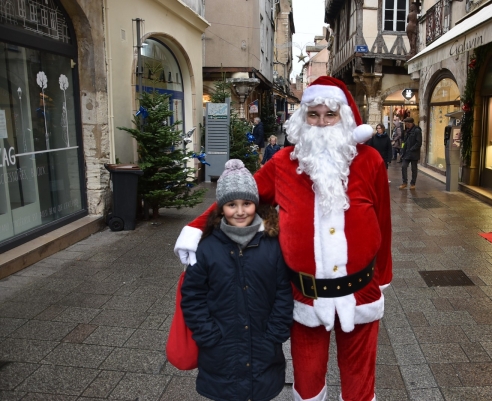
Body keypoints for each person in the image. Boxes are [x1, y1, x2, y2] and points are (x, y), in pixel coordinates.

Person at [174, 76, 392, 401]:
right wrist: (196, 228)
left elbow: (384, 224)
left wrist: (383, 277)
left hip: (360, 292)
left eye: (329, 114)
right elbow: (240, 196)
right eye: (313, 115)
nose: (320, 122)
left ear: (343, 117)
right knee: (307, 381)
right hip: (305, 297)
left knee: (360, 382)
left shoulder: (370, 162)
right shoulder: (283, 165)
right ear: (302, 118)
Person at [180, 159, 294, 401]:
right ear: (221, 208)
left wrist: (275, 333)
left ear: (256, 204)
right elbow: (192, 296)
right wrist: (208, 335)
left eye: (247, 203)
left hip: (264, 349)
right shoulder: (207, 248)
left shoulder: (272, 245)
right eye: (232, 204)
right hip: (221, 352)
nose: (240, 211)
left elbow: (284, 292)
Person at [399, 117, 422, 190]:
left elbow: (419, 143)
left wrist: (412, 149)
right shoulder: (406, 131)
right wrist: (402, 149)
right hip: (406, 153)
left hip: (414, 153)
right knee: (403, 166)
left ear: (409, 123)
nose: (405, 125)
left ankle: (413, 183)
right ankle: (404, 182)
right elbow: (404, 141)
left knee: (414, 169)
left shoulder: (417, 131)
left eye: (406, 123)